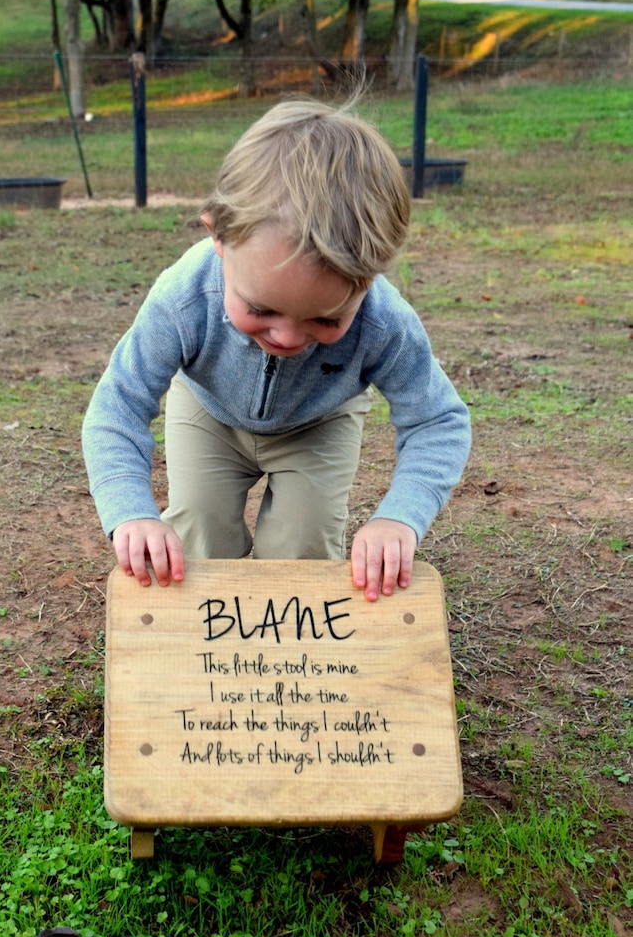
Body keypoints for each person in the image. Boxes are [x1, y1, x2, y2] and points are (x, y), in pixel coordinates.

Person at [82, 97, 471, 602]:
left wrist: (400, 518)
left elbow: (438, 421)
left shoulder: (384, 322)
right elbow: (117, 406)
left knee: (302, 553)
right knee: (196, 539)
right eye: (261, 309)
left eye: (326, 318)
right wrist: (130, 512)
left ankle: (289, 672)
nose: (287, 338)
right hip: (209, 414)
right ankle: (206, 665)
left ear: (370, 277)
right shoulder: (183, 299)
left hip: (319, 423)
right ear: (219, 237)